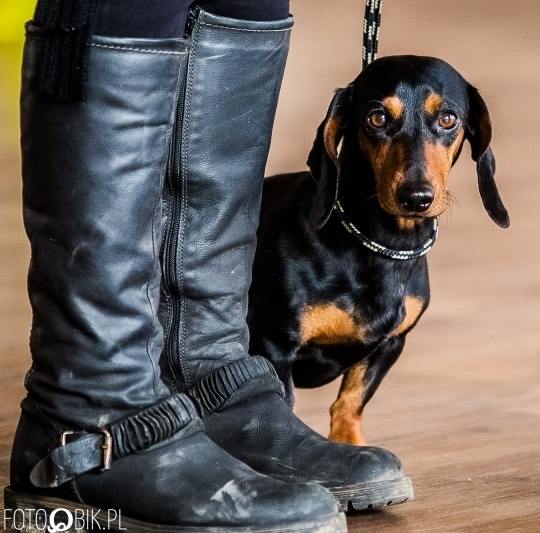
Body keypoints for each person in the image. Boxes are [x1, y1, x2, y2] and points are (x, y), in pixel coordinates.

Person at [5, 0, 412, 530]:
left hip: (213, 369)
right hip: (89, 425)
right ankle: (88, 415)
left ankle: (204, 373)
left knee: (242, 4)